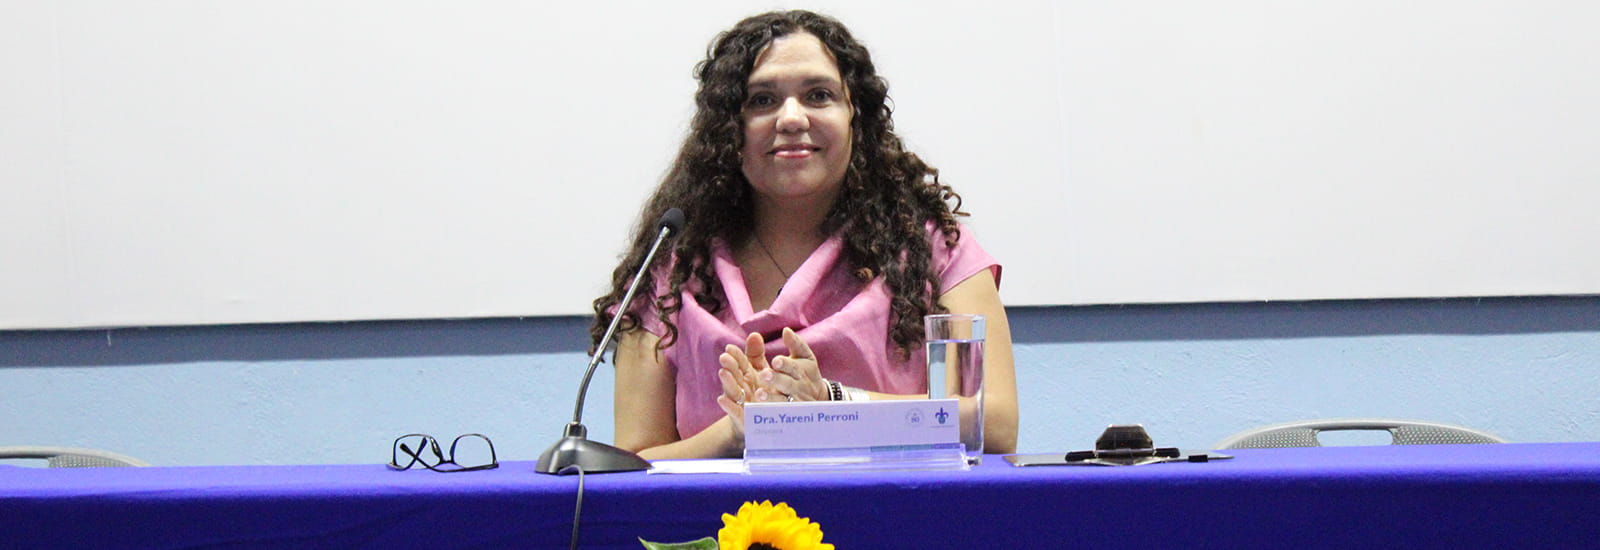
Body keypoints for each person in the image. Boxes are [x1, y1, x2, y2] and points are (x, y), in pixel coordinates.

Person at [590, 9, 1016, 459]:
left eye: (818, 95)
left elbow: (995, 424)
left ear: (855, 117)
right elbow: (633, 461)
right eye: (762, 100)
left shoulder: (932, 251)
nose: (791, 118)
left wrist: (831, 404)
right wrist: (737, 433)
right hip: (723, 509)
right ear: (728, 129)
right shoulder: (670, 268)